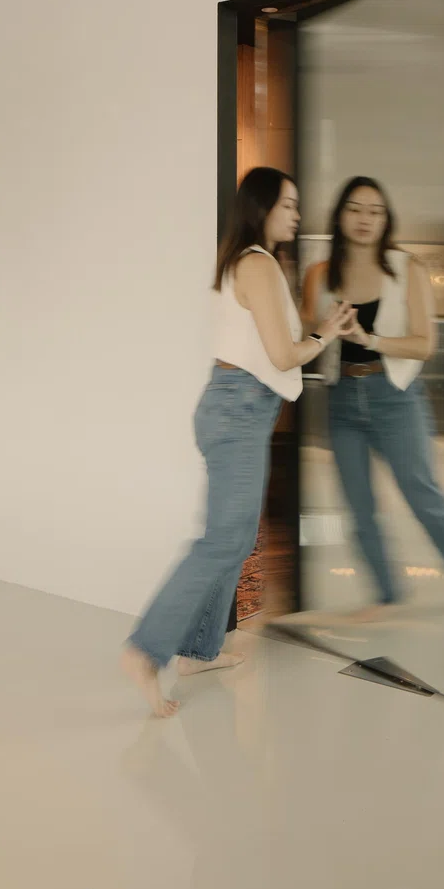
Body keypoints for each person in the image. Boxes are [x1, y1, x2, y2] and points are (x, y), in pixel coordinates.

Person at [123, 167, 355, 716]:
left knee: (234, 536)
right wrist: (326, 332)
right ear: (263, 207)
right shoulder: (258, 263)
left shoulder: (245, 261)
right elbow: (282, 355)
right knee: (223, 542)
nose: (297, 214)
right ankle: (145, 650)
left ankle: (197, 652)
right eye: (290, 204)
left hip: (234, 407)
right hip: (239, 410)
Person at [302, 176, 444, 618]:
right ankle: (386, 593)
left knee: (421, 490)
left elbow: (424, 344)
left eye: (375, 211)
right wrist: (321, 331)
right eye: (356, 209)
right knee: (358, 505)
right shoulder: (321, 275)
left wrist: (370, 337)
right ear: (340, 216)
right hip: (342, 397)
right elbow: (307, 338)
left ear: (386, 219)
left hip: (395, 394)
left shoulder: (408, 269)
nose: (365, 219)